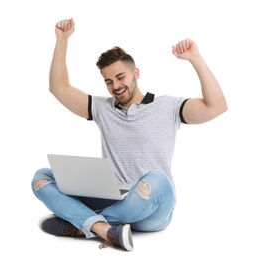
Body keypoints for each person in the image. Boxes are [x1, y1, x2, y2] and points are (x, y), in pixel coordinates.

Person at [31, 18, 227, 251]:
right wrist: (62, 41)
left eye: (120, 77)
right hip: (112, 196)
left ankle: (84, 223)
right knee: (42, 176)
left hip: (152, 206)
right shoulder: (102, 108)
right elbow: (58, 88)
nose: (115, 86)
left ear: (136, 73)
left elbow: (216, 106)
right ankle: (104, 229)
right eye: (108, 81)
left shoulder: (168, 107)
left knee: (158, 179)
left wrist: (195, 59)